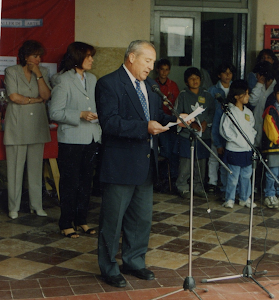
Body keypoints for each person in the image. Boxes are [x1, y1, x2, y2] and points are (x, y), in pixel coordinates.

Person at [95, 40, 191, 288]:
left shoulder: (149, 85)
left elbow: (155, 117)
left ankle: (134, 261)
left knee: (141, 219)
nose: (151, 66)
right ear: (131, 58)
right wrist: (144, 127)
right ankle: (108, 267)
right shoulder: (109, 83)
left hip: (146, 164)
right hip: (120, 165)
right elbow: (110, 123)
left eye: (152, 61)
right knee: (113, 221)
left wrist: (176, 120)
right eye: (147, 60)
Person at [49, 42, 101, 238]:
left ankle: (81, 220)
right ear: (77, 57)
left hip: (91, 138)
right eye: (88, 56)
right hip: (71, 140)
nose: (92, 60)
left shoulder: (93, 79)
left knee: (86, 182)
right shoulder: (63, 80)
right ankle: (66, 222)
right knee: (70, 182)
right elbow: (55, 112)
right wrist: (79, 114)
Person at [4, 40, 51, 219]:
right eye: (35, 56)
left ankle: (36, 206)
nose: (38, 59)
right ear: (25, 56)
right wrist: (35, 100)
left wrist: (38, 75)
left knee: (35, 169)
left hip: (37, 126)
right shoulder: (12, 71)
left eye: (40, 56)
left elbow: (46, 95)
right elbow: (14, 97)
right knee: (15, 170)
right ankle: (13, 207)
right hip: (17, 126)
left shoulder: (43, 72)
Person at [175, 67, 215, 198]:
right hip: (187, 135)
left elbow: (212, 112)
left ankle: (198, 186)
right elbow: (176, 113)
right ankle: (182, 186)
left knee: (201, 162)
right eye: (191, 79)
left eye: (197, 78)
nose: (195, 81)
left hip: (203, 134)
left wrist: (205, 122)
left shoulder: (207, 95)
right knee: (185, 163)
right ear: (186, 82)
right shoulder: (183, 95)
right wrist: (190, 123)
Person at [219, 80, 257, 209]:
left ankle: (244, 198)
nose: (248, 96)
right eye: (245, 94)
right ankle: (229, 198)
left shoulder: (248, 112)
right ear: (236, 96)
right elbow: (224, 129)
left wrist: (250, 140)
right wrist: (236, 139)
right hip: (234, 149)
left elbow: (252, 128)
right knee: (233, 177)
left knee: (246, 176)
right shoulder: (229, 111)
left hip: (247, 149)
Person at [207, 62, 236, 195]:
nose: (227, 75)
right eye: (225, 73)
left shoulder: (234, 88)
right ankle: (212, 181)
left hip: (230, 127)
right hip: (216, 124)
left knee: (226, 155)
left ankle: (224, 183)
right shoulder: (213, 90)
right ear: (219, 75)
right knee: (214, 155)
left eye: (230, 73)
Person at [155, 58, 180, 191]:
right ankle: (163, 180)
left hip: (170, 121)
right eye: (162, 69)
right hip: (157, 122)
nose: (164, 72)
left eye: (166, 69)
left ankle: (173, 180)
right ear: (157, 70)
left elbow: (176, 103)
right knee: (163, 152)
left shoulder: (173, 85)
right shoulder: (152, 84)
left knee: (172, 151)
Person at [249, 61, 277, 148]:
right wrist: (259, 84)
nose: (256, 76)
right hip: (257, 123)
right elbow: (252, 101)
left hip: (270, 127)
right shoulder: (259, 86)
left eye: (258, 74)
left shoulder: (276, 87)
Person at [262, 84, 279, 209]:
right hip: (274, 147)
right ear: (275, 94)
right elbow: (271, 131)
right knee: (272, 172)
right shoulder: (271, 110)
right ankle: (269, 194)